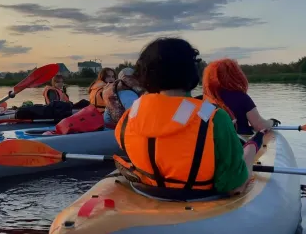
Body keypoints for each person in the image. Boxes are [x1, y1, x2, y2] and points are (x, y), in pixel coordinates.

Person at [113, 37, 267, 199]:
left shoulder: (130, 114)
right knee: (249, 150)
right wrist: (250, 152)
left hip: (148, 192)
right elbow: (232, 185)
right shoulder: (214, 116)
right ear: (190, 71)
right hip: (199, 198)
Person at [202, 58, 281, 136]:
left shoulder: (208, 99)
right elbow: (259, 126)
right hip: (240, 144)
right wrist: (272, 122)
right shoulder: (241, 97)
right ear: (235, 75)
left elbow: (201, 125)